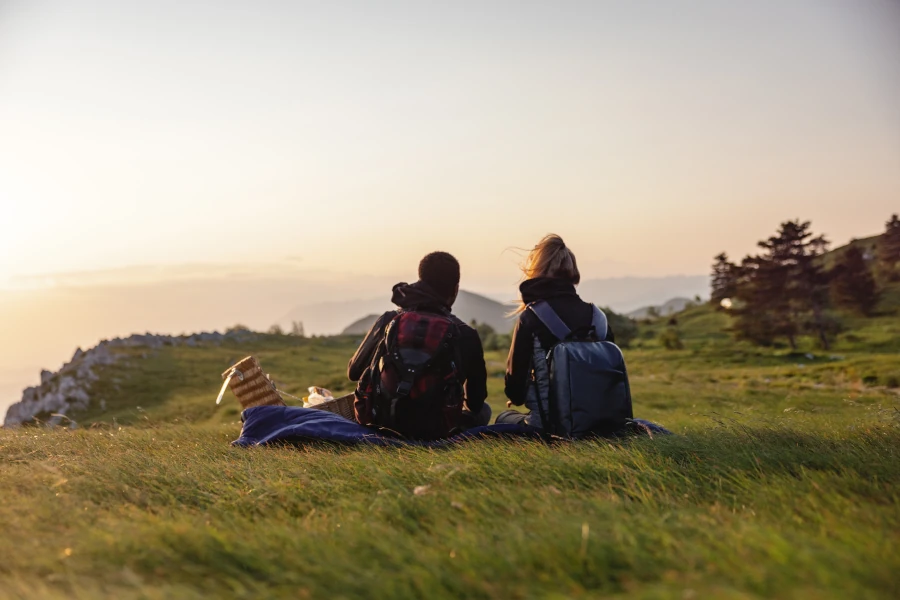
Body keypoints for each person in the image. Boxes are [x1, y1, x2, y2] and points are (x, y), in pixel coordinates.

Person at [348, 251, 490, 437]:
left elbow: (353, 372)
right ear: (455, 289)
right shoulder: (465, 334)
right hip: (437, 431)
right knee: (485, 410)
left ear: (420, 280)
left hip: (381, 422)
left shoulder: (390, 320)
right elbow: (475, 403)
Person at [495, 234, 615, 430]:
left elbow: (515, 391)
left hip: (550, 425)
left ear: (536, 270)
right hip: (602, 423)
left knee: (504, 417)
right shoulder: (598, 318)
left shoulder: (532, 316)